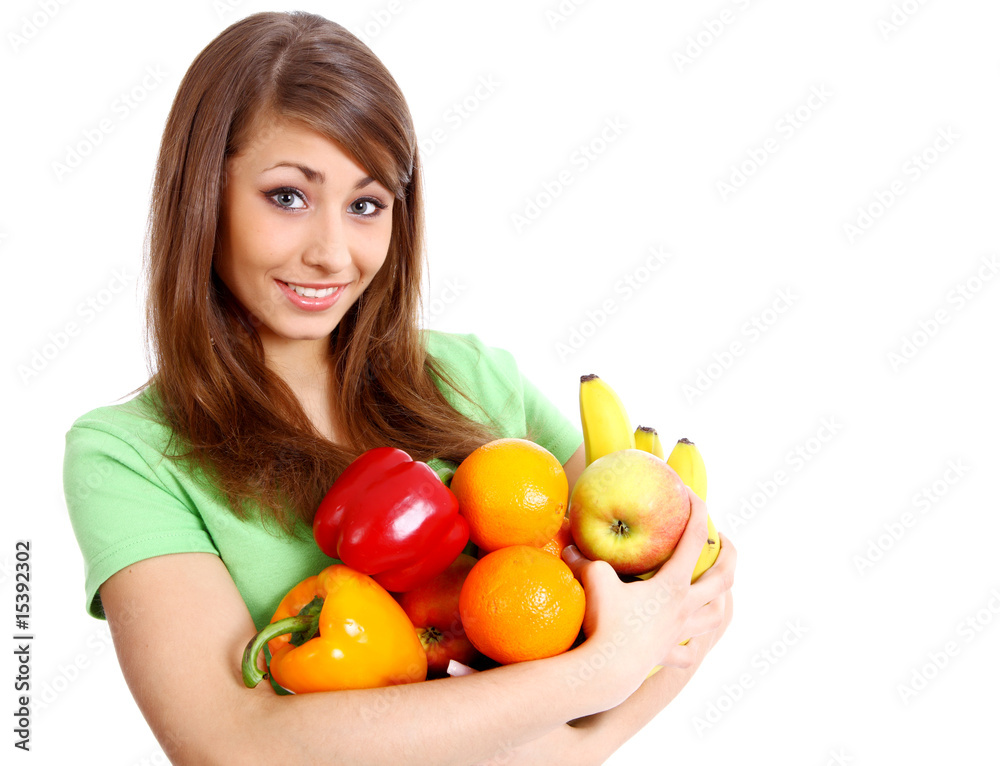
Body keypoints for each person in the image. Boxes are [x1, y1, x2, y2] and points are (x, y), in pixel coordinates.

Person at [62, 10, 735, 765]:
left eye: (366, 205)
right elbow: (233, 748)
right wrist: (595, 675)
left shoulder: (474, 378)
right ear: (202, 196)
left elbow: (666, 604)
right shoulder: (128, 455)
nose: (331, 253)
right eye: (287, 196)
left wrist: (598, 712)